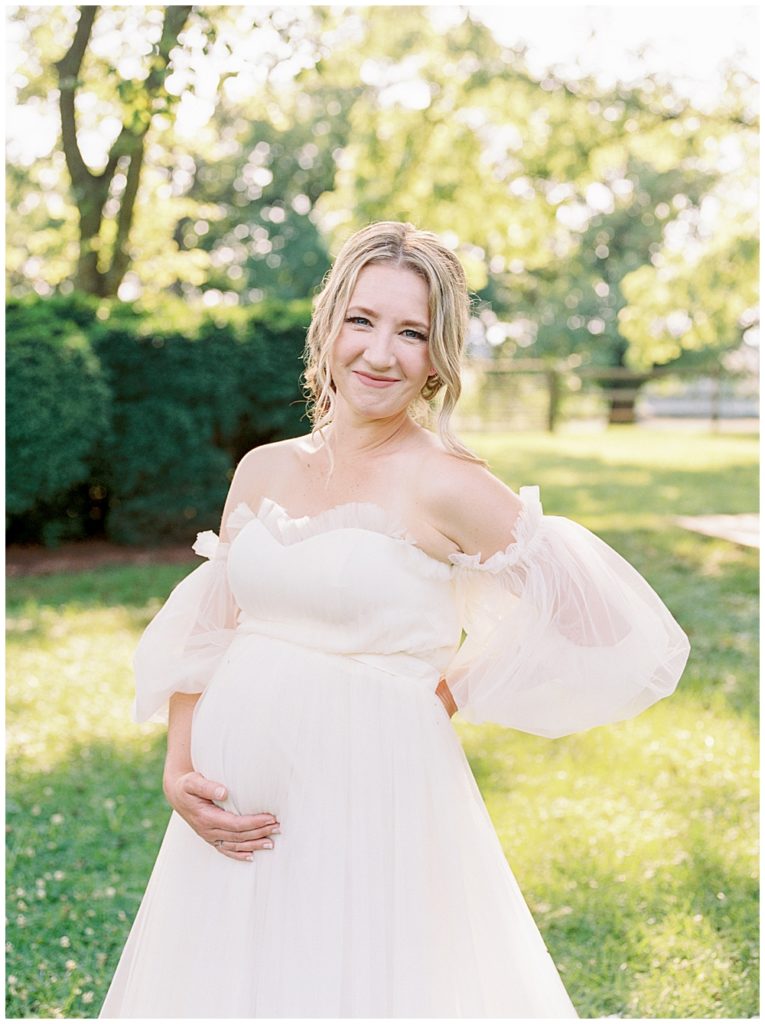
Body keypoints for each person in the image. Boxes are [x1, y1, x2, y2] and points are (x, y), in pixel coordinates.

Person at [99, 220, 691, 1018]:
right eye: (363, 321)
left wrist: (455, 686)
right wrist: (179, 767)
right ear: (329, 325)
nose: (380, 354)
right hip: (235, 813)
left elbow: (594, 615)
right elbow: (212, 623)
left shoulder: (443, 481)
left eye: (411, 333)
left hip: (371, 795)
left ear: (437, 357)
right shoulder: (263, 467)